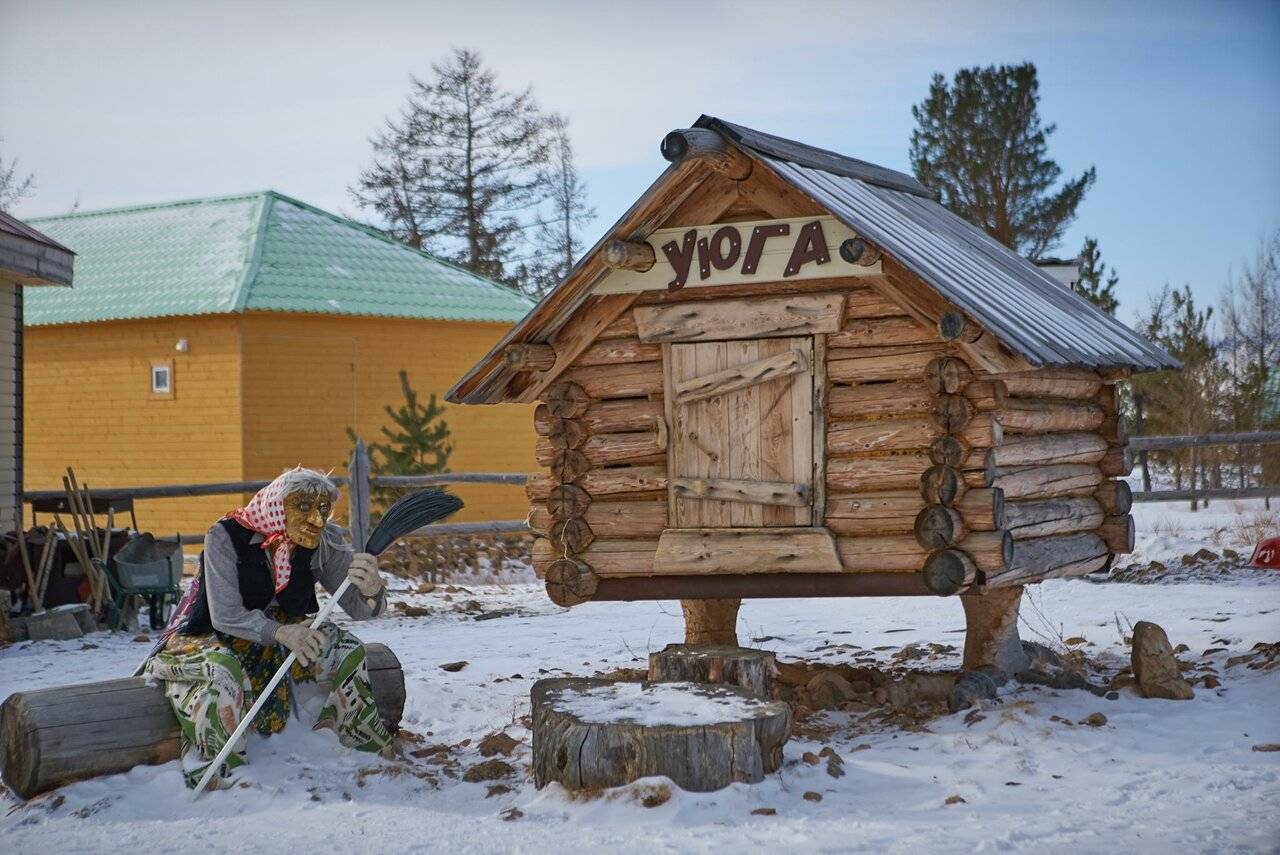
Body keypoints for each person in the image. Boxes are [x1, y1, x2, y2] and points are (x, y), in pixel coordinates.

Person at [146, 468, 393, 788]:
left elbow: (359, 607)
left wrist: (373, 589)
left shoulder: (325, 541)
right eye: (303, 507)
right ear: (279, 504)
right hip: (210, 632)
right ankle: (223, 771)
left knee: (347, 649)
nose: (316, 520)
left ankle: (357, 742)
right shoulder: (225, 536)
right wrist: (281, 632)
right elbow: (226, 615)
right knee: (221, 671)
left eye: (322, 509)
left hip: (281, 631)